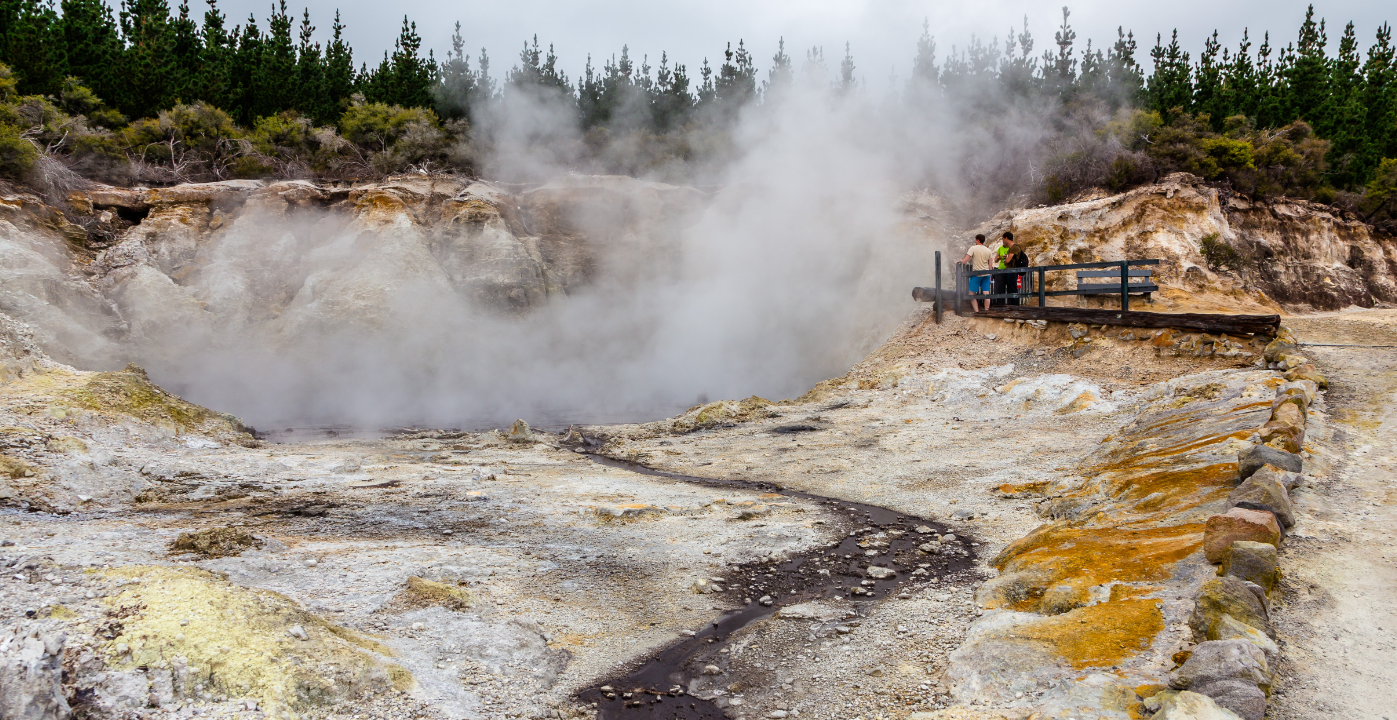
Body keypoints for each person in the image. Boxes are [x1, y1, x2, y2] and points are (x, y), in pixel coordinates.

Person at [960, 234, 994, 312]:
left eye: (975, 239)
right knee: (986, 294)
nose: (975, 241)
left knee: (972, 294)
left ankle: (977, 311)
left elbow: (965, 261)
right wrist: (990, 276)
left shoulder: (973, 248)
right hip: (986, 274)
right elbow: (990, 266)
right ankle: (986, 310)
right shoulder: (988, 250)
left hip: (976, 274)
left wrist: (960, 260)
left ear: (978, 240)